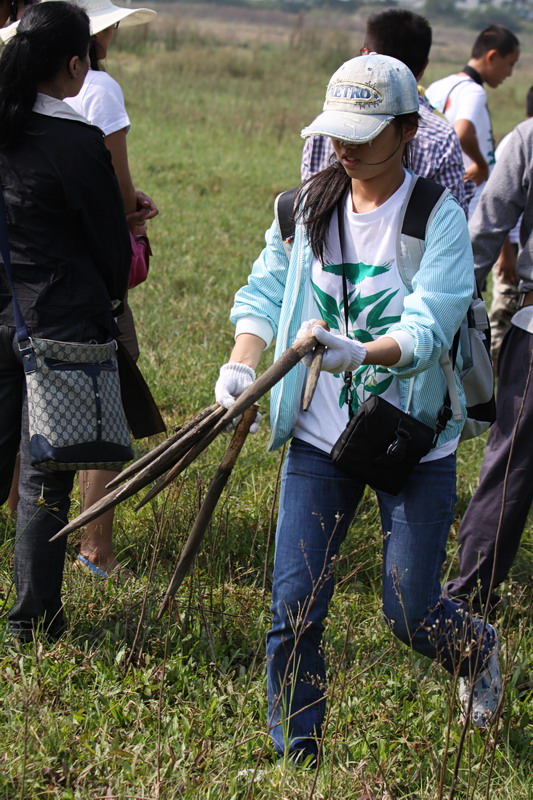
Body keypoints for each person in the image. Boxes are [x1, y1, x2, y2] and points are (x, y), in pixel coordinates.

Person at [215, 54, 502, 762]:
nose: (344, 147)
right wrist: (240, 364)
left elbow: (430, 329)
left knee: (407, 610)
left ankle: (475, 648)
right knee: (293, 607)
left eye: (363, 133)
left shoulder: (435, 217)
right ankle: (296, 752)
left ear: (407, 130)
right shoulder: (304, 205)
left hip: (409, 436)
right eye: (336, 131)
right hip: (319, 437)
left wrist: (359, 352)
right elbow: (262, 290)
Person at [0, 1, 131, 640]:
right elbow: (110, 247)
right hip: (57, 321)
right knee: (44, 476)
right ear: (76, 64)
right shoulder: (77, 142)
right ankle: (33, 622)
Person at [63, 0, 158, 578]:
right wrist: (135, 210)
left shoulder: (25, 84)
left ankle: (37, 530)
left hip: (33, 265)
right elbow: (116, 187)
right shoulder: (101, 88)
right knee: (107, 403)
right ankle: (95, 548)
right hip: (91, 271)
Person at [444, 116, 533, 614]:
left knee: (512, 463)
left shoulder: (529, 137)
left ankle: (468, 599)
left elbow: (484, 232)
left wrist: (451, 315)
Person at [301, 8, 467, 214]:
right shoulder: (441, 138)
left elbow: (308, 207)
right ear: (424, 66)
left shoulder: (323, 128)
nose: (347, 144)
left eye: (367, 136)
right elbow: (455, 216)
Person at [426, 25, 519, 219]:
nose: (510, 73)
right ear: (492, 56)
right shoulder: (473, 91)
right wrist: (481, 164)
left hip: (436, 191)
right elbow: (462, 133)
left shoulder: (437, 86)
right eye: (510, 64)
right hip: (470, 198)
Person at [487, 86, 533, 367]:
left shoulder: (524, 137)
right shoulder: (520, 140)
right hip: (512, 247)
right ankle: (493, 362)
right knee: (503, 309)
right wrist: (505, 251)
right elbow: (498, 209)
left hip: (518, 248)